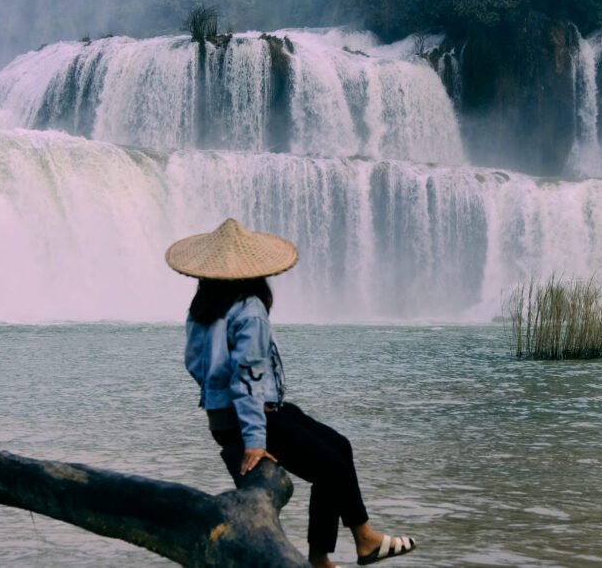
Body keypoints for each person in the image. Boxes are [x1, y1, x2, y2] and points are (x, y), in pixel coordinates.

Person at [166, 218, 417, 568]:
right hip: (251, 418)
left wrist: (220, 404)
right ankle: (344, 549)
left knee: (340, 446)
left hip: (228, 417)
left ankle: (350, 544)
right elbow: (249, 379)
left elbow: (195, 365)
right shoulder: (250, 308)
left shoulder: (202, 309)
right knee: (330, 467)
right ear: (256, 272)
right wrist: (254, 441)